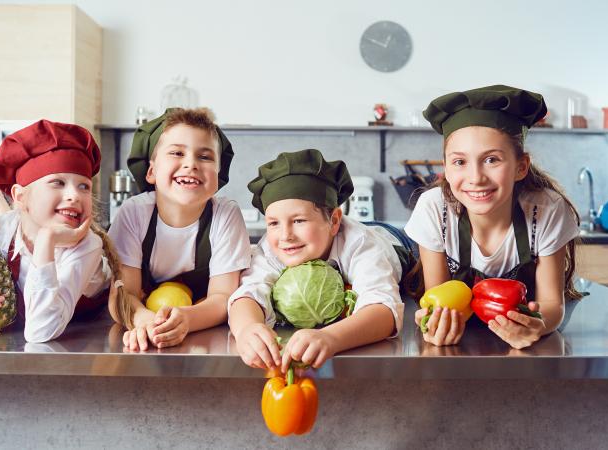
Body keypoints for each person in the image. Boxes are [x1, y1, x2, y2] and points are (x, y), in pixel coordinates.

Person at [404, 85, 583, 350]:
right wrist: (435, 326)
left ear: (521, 166)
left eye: (491, 160)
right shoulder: (434, 208)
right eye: (459, 162)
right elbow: (438, 296)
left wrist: (539, 325)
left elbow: (551, 305)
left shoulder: (545, 209)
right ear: (445, 168)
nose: (476, 178)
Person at [228, 149, 413, 371]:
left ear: (334, 221)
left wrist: (330, 338)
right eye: (274, 223)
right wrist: (247, 329)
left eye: (298, 220)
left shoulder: (360, 244)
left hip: (391, 240)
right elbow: (249, 292)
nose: (285, 235)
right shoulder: (271, 246)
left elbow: (384, 309)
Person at [0, 120, 118, 342]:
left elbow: (40, 331)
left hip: (83, 334)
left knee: (8, 218)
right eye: (58, 183)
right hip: (17, 216)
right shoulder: (6, 232)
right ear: (20, 197)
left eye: (84, 186)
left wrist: (46, 240)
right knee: (4, 219)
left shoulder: (87, 246)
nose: (75, 195)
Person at [108, 108, 250, 351]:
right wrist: (146, 322)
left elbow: (223, 297)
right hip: (148, 326)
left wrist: (187, 319)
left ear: (218, 175)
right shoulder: (133, 213)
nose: (191, 164)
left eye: (205, 157)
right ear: (151, 171)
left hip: (203, 336)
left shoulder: (225, 215)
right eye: (176, 153)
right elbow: (123, 293)